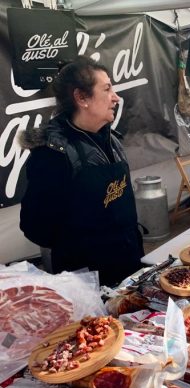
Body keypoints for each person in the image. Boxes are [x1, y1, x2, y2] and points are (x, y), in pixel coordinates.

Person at [20, 56, 144, 286]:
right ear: (81, 98)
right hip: (86, 280)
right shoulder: (52, 153)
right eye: (107, 89)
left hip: (129, 266)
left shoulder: (111, 138)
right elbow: (36, 228)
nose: (116, 97)